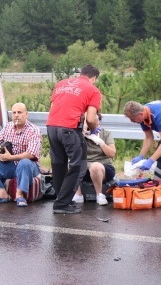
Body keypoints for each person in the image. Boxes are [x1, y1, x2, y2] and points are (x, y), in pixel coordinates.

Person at [47, 64, 102, 214]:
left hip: (51, 127)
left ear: (80, 74)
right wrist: (93, 129)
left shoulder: (61, 84)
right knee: (79, 166)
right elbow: (91, 118)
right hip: (70, 128)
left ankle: (61, 200)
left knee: (59, 164)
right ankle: (62, 204)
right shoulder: (93, 90)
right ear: (94, 78)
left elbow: (53, 107)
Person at [0, 102, 43, 207]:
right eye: (14, 113)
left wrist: (10, 157)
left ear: (26, 114)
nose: (16, 115)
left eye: (19, 112)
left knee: (25, 162)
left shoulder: (34, 130)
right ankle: (1, 193)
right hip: (11, 164)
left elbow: (31, 154)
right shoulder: (9, 126)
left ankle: (19, 195)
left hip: (29, 166)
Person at [124, 100, 161, 206]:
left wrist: (151, 160)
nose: (132, 121)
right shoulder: (143, 117)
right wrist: (141, 156)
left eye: (132, 119)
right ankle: (160, 194)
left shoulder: (159, 114)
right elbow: (149, 137)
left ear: (140, 114)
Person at [72, 113, 116, 206]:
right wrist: (82, 135)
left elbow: (112, 154)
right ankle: (77, 194)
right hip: (84, 168)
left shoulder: (106, 133)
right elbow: (72, 152)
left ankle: (99, 195)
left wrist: (100, 142)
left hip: (103, 167)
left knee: (95, 166)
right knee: (73, 163)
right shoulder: (79, 134)